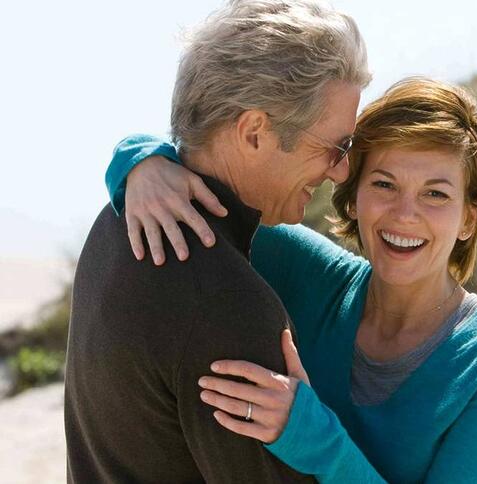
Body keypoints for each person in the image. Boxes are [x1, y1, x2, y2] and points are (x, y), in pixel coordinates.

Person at [105, 77, 477, 483]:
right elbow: (212, 166)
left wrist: (312, 436)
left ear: (469, 218)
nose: (404, 214)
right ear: (352, 197)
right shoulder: (308, 272)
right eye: (383, 184)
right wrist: (144, 161)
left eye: (435, 194)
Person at [65, 1, 370, 482]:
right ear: (253, 132)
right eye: (335, 147)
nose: (341, 170)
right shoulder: (230, 309)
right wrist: (317, 437)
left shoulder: (118, 219)